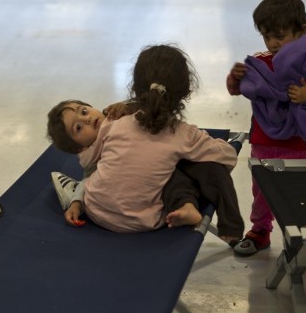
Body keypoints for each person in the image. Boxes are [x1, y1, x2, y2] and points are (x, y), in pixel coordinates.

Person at [47, 44, 243, 237]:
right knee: (185, 170)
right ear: (187, 90)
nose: (88, 119)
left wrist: (78, 201)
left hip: (97, 211)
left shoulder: (112, 125)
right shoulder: (183, 134)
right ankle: (209, 217)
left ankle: (73, 190)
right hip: (144, 220)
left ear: (134, 88)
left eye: (84, 111)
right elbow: (227, 155)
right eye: (79, 127)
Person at [225, 0, 306, 256]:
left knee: (296, 193)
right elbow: (235, 90)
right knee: (262, 192)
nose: (272, 43)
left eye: (279, 36)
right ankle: (260, 231)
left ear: (302, 31)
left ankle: (297, 236)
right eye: (267, 37)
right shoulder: (260, 63)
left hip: (296, 144)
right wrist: (235, 77)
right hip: (263, 141)